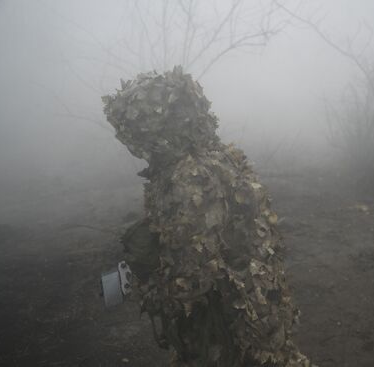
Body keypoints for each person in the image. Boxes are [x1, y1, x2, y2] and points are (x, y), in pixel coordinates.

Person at [103, 66, 313, 367]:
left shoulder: (187, 177)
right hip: (262, 300)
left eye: (133, 128)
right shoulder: (221, 156)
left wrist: (145, 286)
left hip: (232, 321)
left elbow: (194, 280)